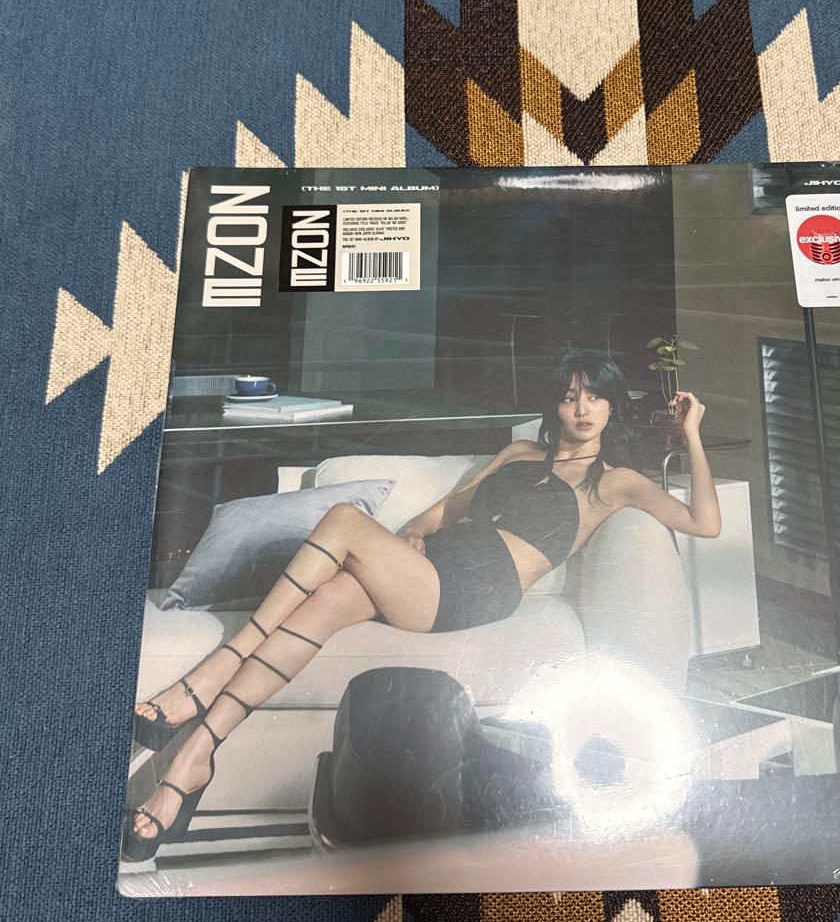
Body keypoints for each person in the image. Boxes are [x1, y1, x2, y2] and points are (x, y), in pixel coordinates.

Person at [123, 351, 722, 860]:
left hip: (479, 587)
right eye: (570, 398)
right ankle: (192, 761)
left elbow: (705, 522)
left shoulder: (615, 482)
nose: (582, 410)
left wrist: (691, 434)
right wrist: (408, 534)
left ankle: (209, 675)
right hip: (435, 565)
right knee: (324, 600)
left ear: (612, 407)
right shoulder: (518, 453)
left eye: (595, 398)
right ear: (554, 406)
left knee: (343, 520)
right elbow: (449, 511)